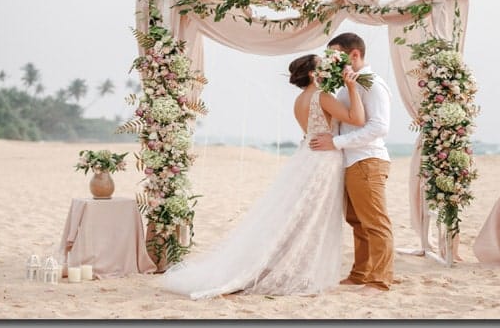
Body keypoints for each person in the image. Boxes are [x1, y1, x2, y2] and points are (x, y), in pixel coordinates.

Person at [161, 54, 365, 299]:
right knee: (312, 218)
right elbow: (357, 119)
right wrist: (352, 87)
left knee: (299, 217)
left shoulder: (301, 99)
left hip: (307, 156)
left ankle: (289, 265)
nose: (327, 67)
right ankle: (296, 271)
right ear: (313, 73)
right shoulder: (321, 96)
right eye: (322, 64)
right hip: (323, 161)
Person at [309, 32, 394, 294]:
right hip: (351, 161)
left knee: (375, 223)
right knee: (357, 221)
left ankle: (380, 280)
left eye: (336, 56)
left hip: (367, 160)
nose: (332, 62)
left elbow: (379, 127)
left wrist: (335, 143)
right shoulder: (351, 85)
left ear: (354, 54)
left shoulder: (373, 84)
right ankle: (360, 274)